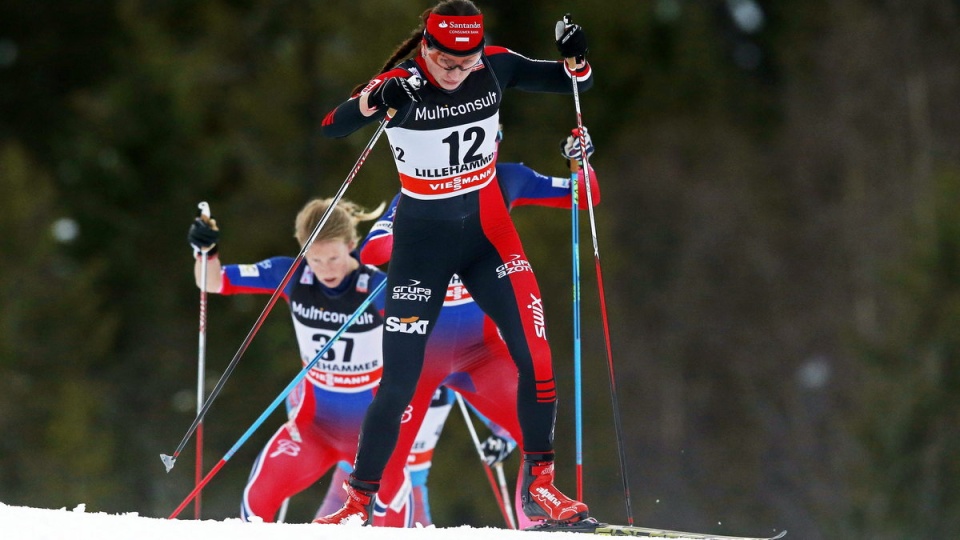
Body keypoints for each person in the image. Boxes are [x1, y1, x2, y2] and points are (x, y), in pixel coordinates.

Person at [315, 0, 595, 519]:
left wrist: (578, 61)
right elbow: (332, 125)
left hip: (489, 237)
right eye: (447, 63)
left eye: (467, 64)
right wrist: (377, 99)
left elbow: (571, 83)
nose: (457, 73)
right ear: (427, 46)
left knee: (536, 357)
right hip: (423, 244)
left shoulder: (493, 63)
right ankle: (358, 500)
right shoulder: (402, 81)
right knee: (398, 380)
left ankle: (541, 484)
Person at [187, 197, 412, 524]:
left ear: (351, 245)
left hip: (373, 437)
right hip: (315, 429)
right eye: (315, 259)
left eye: (334, 257)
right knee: (256, 499)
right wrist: (205, 251)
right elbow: (212, 281)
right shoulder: (291, 274)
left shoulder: (377, 288)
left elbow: (422, 329)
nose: (325, 269)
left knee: (394, 513)